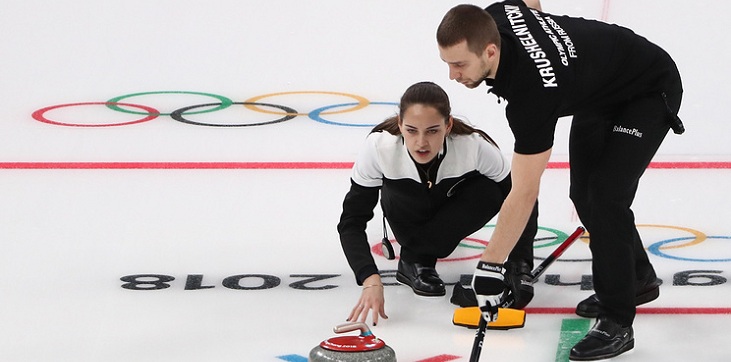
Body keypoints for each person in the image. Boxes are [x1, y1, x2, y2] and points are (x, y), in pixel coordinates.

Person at [436, 1, 683, 360]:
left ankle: (617, 321)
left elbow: (524, 190)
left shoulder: (532, 95)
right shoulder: (495, 16)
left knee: (605, 196)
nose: (452, 75)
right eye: (447, 63)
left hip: (647, 88)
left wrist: (490, 264)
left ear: (490, 50)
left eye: (459, 64)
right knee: (582, 194)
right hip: (598, 90)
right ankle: (637, 278)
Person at [337, 81, 538, 326]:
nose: (422, 142)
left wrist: (519, 264)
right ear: (400, 124)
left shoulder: (474, 147)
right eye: (411, 130)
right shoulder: (380, 148)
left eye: (432, 131)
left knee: (491, 191)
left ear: (448, 125)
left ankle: (418, 257)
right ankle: (415, 259)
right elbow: (351, 222)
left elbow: (523, 196)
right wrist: (370, 280)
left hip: (448, 213)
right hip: (405, 216)